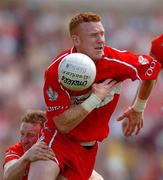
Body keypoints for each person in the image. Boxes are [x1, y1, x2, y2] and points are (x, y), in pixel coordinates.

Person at [28, 12, 161, 180]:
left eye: (102, 34)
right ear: (76, 40)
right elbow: (62, 124)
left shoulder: (116, 61)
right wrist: (95, 98)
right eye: (93, 35)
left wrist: (138, 108)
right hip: (56, 142)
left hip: (88, 151)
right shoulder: (57, 70)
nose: (101, 40)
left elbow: (152, 70)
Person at [3, 109, 103, 180]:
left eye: (30, 135)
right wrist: (26, 157)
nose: (24, 140)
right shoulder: (17, 150)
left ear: (43, 134)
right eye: (22, 134)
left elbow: (92, 176)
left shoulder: (56, 152)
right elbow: (7, 175)